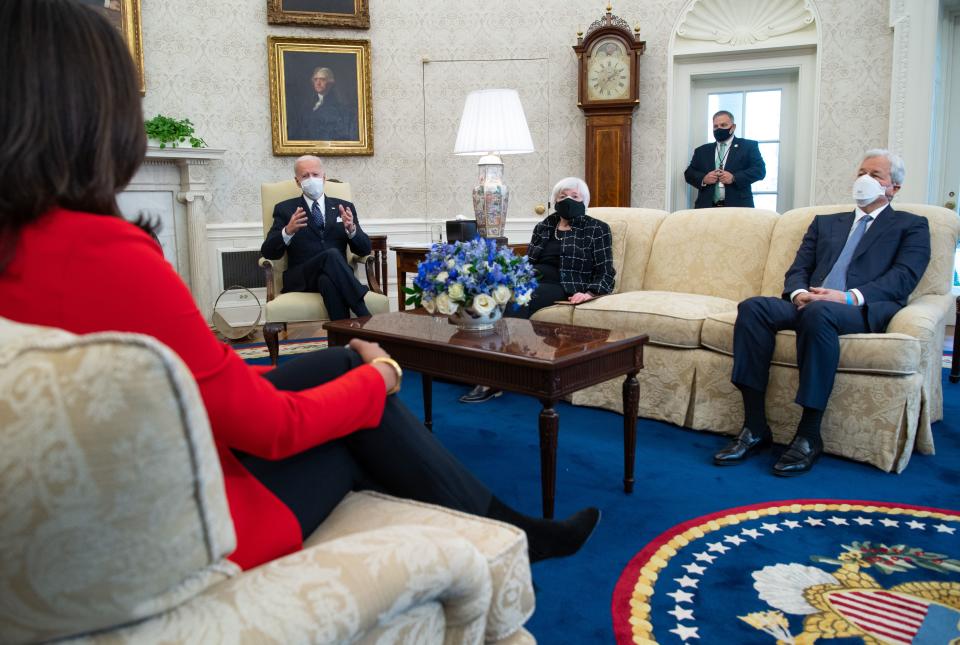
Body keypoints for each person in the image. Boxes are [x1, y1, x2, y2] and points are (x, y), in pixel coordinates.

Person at [0, 0, 599, 570]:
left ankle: (355, 343)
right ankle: (504, 528)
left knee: (339, 337)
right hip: (180, 525)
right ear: (94, 118)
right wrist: (379, 377)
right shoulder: (115, 254)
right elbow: (269, 407)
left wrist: (351, 228)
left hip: (141, 453)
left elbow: (362, 252)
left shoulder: (342, 205)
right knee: (353, 414)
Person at [712, 150, 931, 476]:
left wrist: (845, 297)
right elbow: (799, 268)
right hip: (810, 302)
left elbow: (903, 277)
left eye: (875, 175)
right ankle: (755, 427)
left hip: (858, 308)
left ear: (894, 188)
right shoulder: (827, 223)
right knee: (753, 307)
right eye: (861, 172)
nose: (865, 180)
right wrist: (800, 293)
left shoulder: (911, 226)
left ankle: (809, 436)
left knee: (820, 315)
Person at [460, 177, 615, 403]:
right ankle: (472, 366)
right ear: (554, 201)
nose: (568, 201)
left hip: (564, 284)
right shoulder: (544, 227)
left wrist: (590, 292)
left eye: (574, 196)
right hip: (533, 277)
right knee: (488, 294)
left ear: (585, 201)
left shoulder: (597, 229)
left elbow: (606, 271)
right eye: (562, 197)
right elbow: (529, 261)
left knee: (517, 299)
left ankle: (492, 378)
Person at [260, 155, 371, 321]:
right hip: (302, 276)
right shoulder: (285, 209)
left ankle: (342, 340)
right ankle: (364, 315)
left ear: (324, 177)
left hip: (335, 275)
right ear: (297, 181)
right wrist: (287, 232)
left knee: (327, 281)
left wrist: (352, 230)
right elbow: (268, 252)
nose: (311, 179)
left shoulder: (344, 207)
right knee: (332, 254)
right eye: (305, 176)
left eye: (315, 174)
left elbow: (364, 249)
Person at [683, 110, 766, 208]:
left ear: (733, 127)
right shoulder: (701, 150)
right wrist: (704, 178)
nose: (719, 129)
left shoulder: (748, 146)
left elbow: (759, 171)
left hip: (738, 207)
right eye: (715, 126)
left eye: (723, 125)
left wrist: (734, 178)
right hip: (706, 208)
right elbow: (689, 173)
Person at [287, 67, 357, 141]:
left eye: (322, 79)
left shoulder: (341, 110)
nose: (318, 83)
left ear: (330, 83)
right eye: (315, 79)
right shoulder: (307, 106)